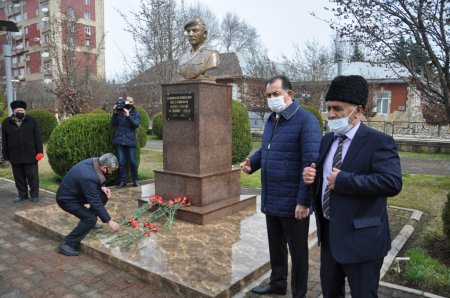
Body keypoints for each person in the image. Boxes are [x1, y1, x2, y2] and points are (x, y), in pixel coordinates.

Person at [303, 75, 402, 298]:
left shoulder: (379, 142)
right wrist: (313, 177)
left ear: (357, 111)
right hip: (330, 237)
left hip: (363, 242)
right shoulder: (328, 140)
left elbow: (392, 182)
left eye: (337, 108)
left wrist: (345, 181)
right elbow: (325, 180)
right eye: (328, 108)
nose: (330, 115)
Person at [240, 75, 322, 297]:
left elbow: (310, 164)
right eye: (268, 95)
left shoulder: (307, 121)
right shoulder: (272, 119)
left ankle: (299, 292)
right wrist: (253, 163)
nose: (272, 99)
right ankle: (277, 284)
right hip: (272, 196)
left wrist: (303, 201)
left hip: (294, 202)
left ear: (290, 94)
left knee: (298, 252)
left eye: (276, 94)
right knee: (276, 247)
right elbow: (267, 149)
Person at [56, 153, 121, 256]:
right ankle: (67, 244)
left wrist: (103, 186)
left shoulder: (96, 162)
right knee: (90, 218)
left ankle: (87, 221)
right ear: (104, 167)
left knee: (103, 196)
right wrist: (109, 221)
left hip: (77, 193)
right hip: (67, 200)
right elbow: (94, 201)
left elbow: (98, 177)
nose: (111, 173)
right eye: (111, 170)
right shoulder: (88, 176)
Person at [2, 100, 43, 202]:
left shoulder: (32, 121)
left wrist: (40, 152)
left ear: (25, 111)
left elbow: (37, 138)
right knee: (19, 178)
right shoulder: (6, 123)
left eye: (22, 110)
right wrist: (6, 156)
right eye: (18, 110)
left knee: (33, 178)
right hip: (15, 155)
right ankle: (22, 195)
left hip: (31, 155)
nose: (21, 112)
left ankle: (34, 195)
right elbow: (4, 140)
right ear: (13, 111)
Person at [111, 96, 141, 188]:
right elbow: (113, 123)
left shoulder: (136, 113)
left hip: (130, 141)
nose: (129, 103)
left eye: (130, 101)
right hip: (120, 140)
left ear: (133, 102)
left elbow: (135, 125)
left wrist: (128, 116)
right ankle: (122, 181)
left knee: (132, 161)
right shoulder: (119, 112)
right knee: (121, 161)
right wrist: (115, 113)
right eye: (127, 101)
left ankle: (135, 180)